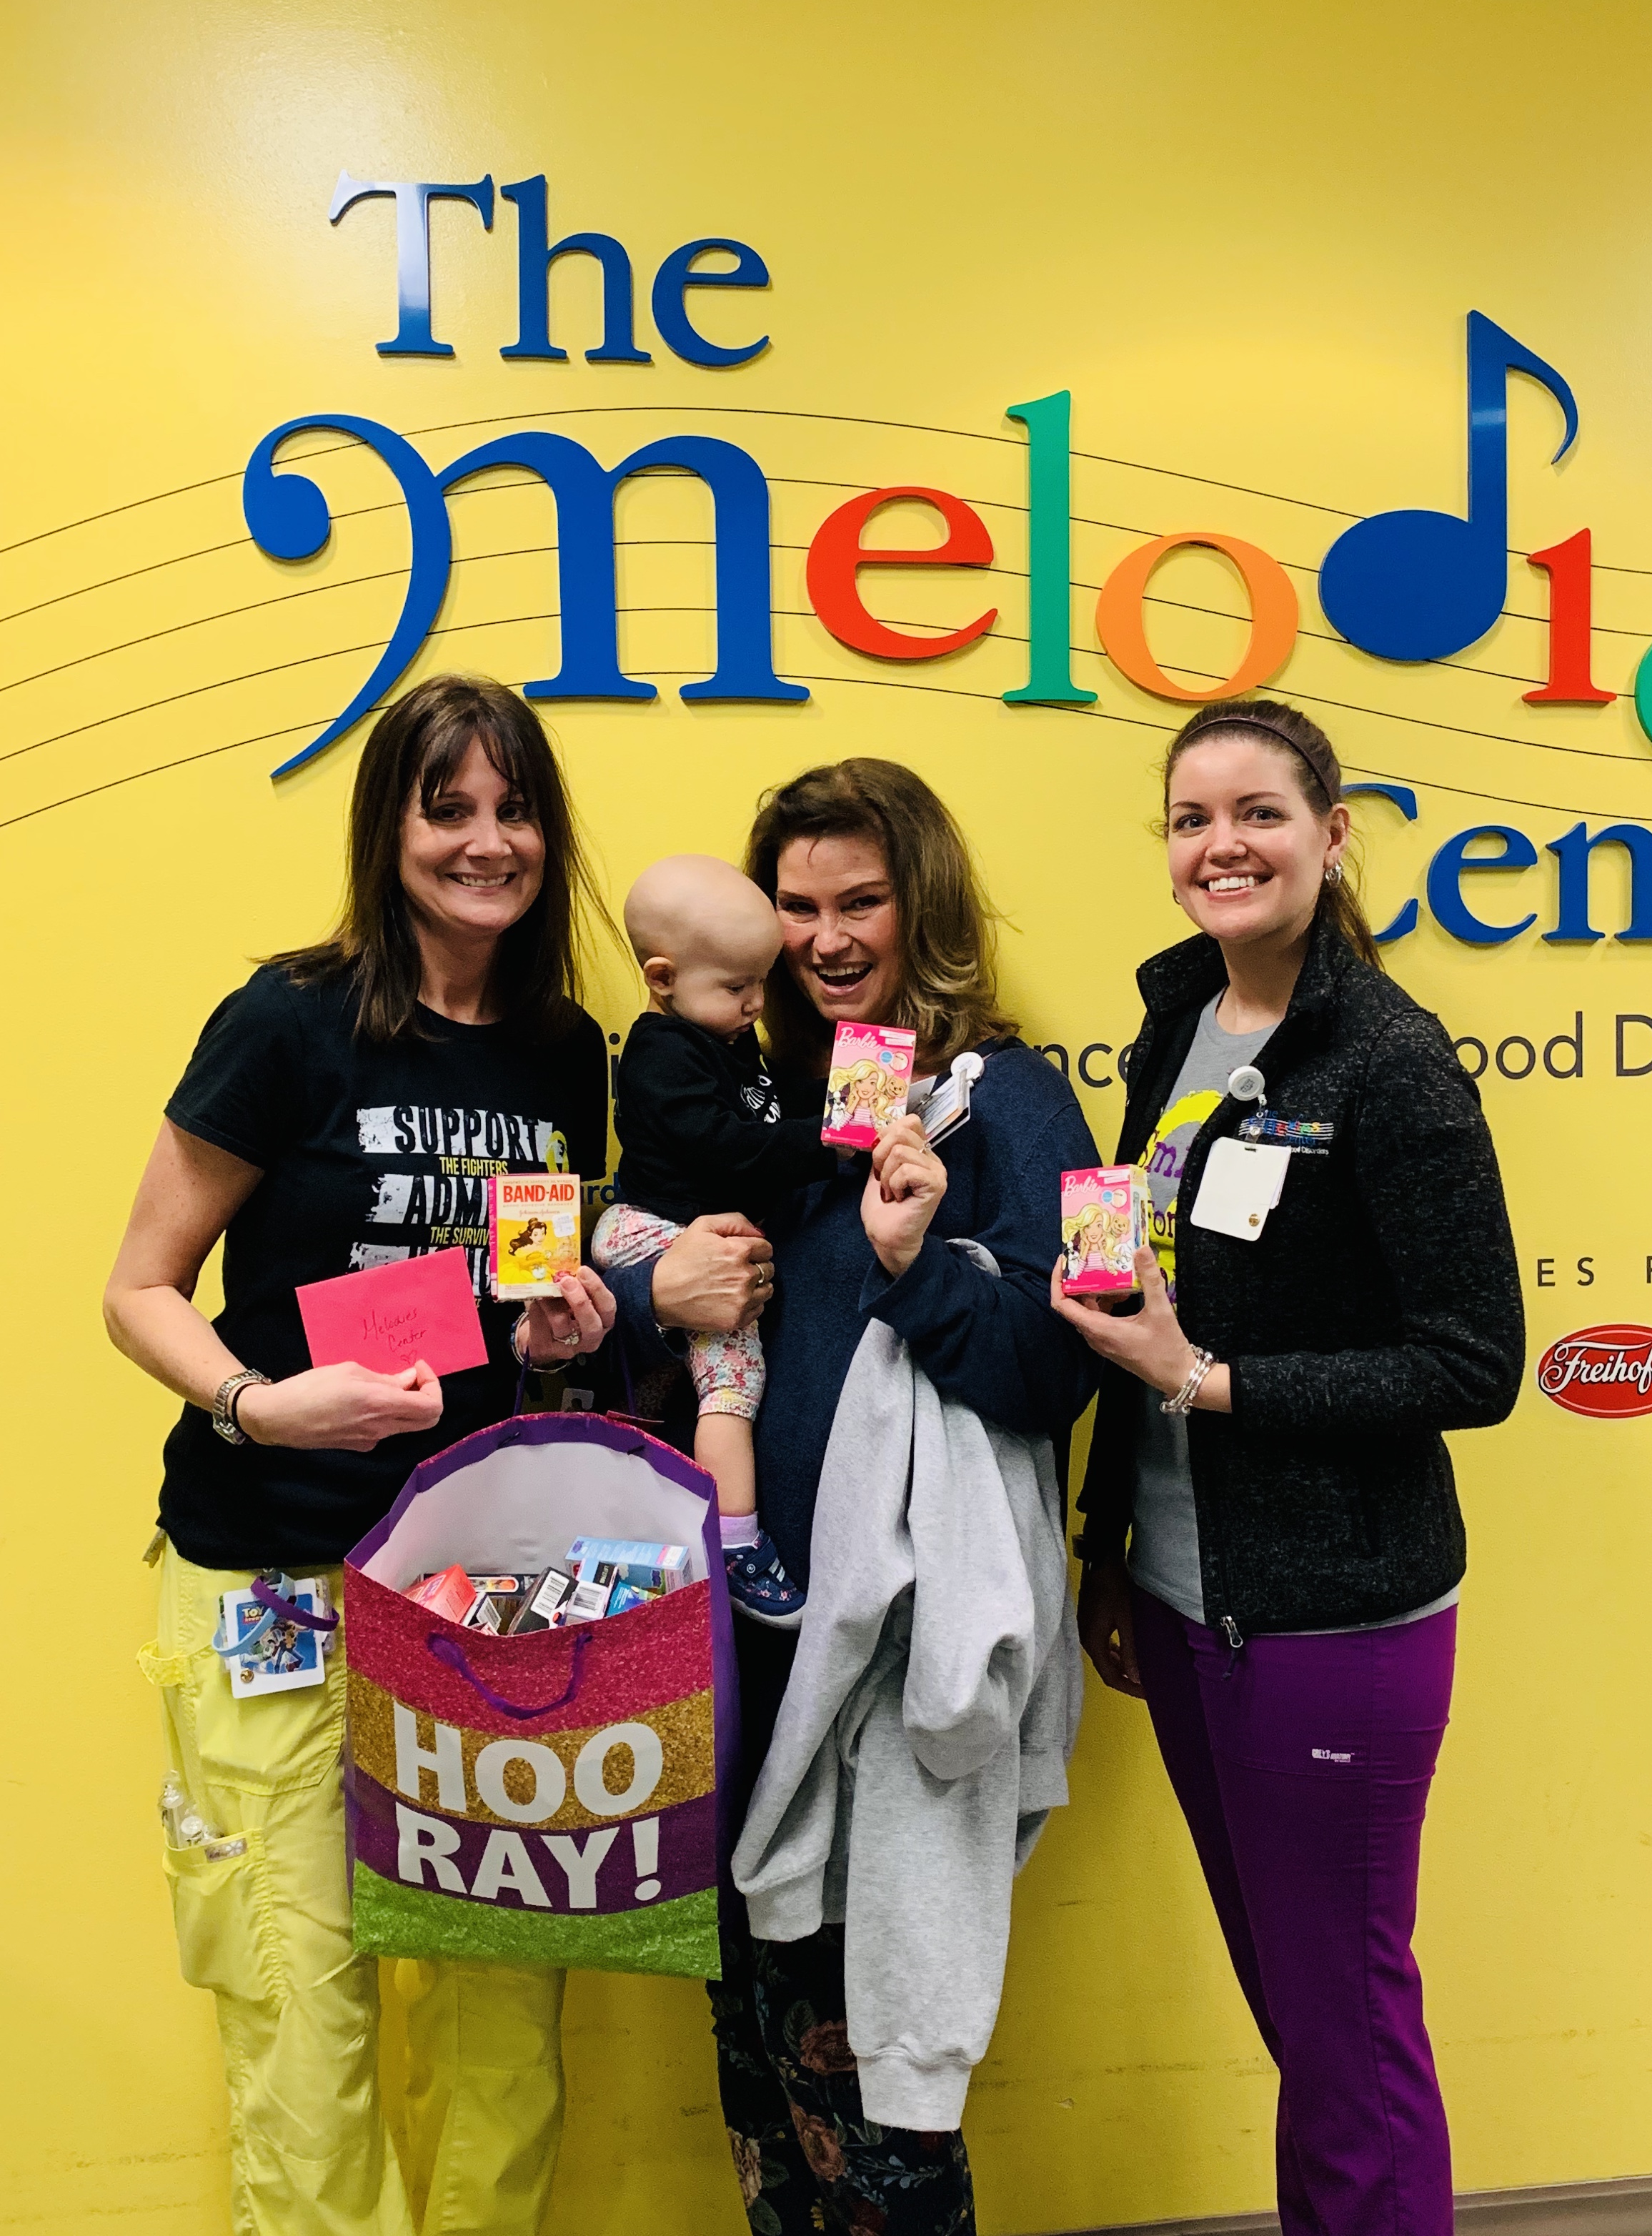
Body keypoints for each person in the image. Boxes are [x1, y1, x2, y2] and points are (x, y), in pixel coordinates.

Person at [102, 675, 769, 2236]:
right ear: (387, 823)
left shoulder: (561, 1049)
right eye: (447, 806)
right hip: (271, 1575)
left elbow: (502, 1305)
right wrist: (261, 1402)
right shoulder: (284, 1020)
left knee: (500, 2033)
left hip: (486, 1588)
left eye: (514, 807)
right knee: (301, 2016)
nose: (486, 841)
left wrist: (556, 1336)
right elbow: (140, 1287)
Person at [597, 757, 1097, 2236]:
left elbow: (1054, 1374)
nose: (823, 936)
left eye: (857, 901)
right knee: (756, 2079)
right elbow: (627, 1272)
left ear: (918, 902)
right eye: (795, 905)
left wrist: (911, 1266)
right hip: (727, 1655)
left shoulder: (1001, 1099)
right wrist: (640, 1287)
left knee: (874, 2114)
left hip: (877, 1675)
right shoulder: (730, 1089)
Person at [1052, 697, 1526, 2236]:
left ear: (1330, 833)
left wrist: (1208, 1378)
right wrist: (1109, 1540)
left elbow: (1470, 1363)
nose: (1220, 845)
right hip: (1191, 1601)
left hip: (1331, 1620)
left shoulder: (1390, 1063)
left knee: (1345, 2038)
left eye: (1257, 812)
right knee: (1297, 2016)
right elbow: (1139, 1296)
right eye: (1190, 820)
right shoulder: (1183, 1020)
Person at [591, 853, 840, 1625]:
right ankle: (735, 1542)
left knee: (694, 1386)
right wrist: (830, 1138)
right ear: (663, 979)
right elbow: (731, 1147)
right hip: (648, 1232)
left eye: (762, 983)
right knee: (735, 1378)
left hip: (680, 1231)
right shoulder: (663, 1053)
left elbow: (771, 1108)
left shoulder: (727, 1040)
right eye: (738, 988)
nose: (757, 1005)